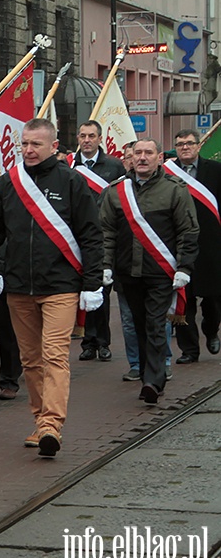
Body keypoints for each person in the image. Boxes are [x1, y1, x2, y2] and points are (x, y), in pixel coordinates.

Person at [0, 118, 104, 457]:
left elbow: (91, 235)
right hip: (19, 287)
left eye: (36, 144)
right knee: (30, 360)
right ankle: (39, 419)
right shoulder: (7, 184)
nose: (28, 150)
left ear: (53, 146)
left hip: (61, 285)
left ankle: (51, 426)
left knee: (54, 355)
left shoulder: (72, 182)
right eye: (25, 144)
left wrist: (92, 283)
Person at [100, 137, 199, 404]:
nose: (142, 158)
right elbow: (106, 232)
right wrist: (105, 265)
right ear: (130, 158)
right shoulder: (115, 191)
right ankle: (147, 372)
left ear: (159, 158)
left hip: (160, 272)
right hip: (127, 273)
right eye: (138, 153)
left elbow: (188, 230)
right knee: (138, 325)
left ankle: (154, 382)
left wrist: (184, 266)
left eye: (148, 153)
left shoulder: (174, 190)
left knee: (156, 324)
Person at [72, 120, 126, 363]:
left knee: (101, 292)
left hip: (104, 238)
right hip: (74, 237)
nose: (87, 140)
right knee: (82, 292)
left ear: (99, 138)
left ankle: (102, 342)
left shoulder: (114, 167)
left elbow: (123, 199)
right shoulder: (69, 165)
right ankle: (87, 342)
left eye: (91, 135)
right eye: (83, 135)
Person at [166, 128, 221, 364]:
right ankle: (189, 350)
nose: (185, 147)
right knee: (183, 297)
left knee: (212, 298)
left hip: (211, 244)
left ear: (199, 146)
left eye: (189, 143)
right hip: (178, 245)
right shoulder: (167, 173)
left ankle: (211, 330)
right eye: (180, 144)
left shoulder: (215, 170)